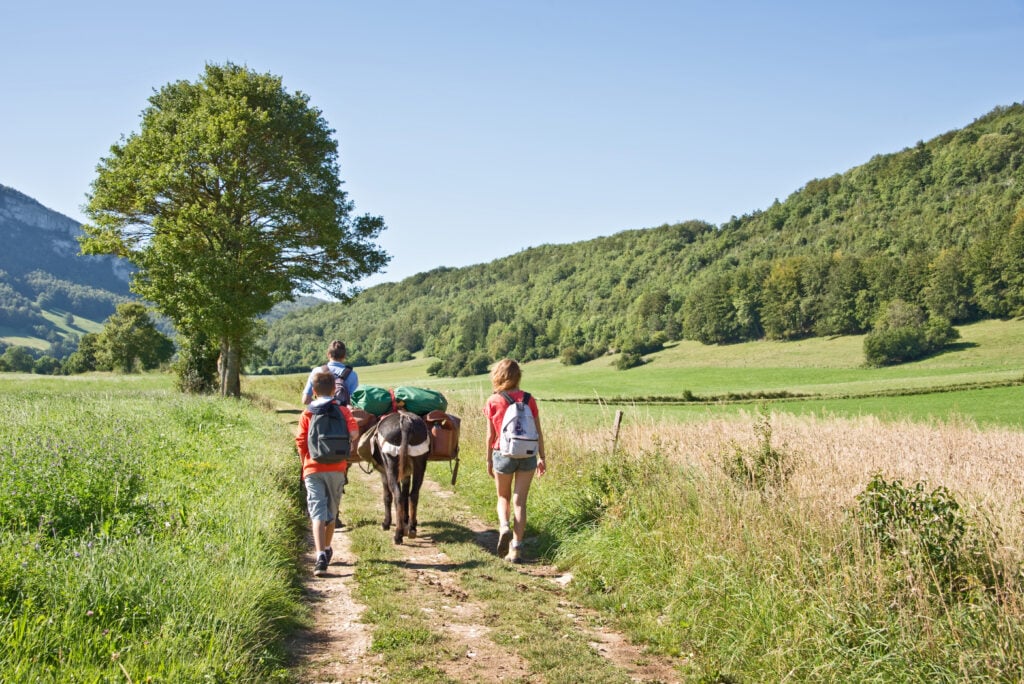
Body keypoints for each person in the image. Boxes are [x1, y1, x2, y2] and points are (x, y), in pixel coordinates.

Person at [296, 369, 360, 576]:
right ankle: (327, 547)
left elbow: (300, 442)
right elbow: (354, 432)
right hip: (337, 468)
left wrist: (304, 464)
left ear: (313, 391)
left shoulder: (308, 413)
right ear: (334, 390)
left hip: (312, 468)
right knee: (331, 512)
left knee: (317, 512)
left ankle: (320, 555)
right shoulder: (343, 411)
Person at [484, 358, 546, 563]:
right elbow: (538, 431)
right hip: (528, 454)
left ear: (498, 376)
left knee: (503, 497)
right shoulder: (529, 399)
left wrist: (488, 460)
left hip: (503, 453)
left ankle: (503, 526)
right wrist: (542, 457)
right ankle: (516, 548)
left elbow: (490, 435)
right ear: (518, 376)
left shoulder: (493, 401)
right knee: (520, 502)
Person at [301, 339, 359, 406]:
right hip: (343, 414)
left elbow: (305, 400)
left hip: (320, 415)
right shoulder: (352, 374)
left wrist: (320, 407)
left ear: (328, 354)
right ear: (344, 356)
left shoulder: (316, 371)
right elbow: (355, 402)